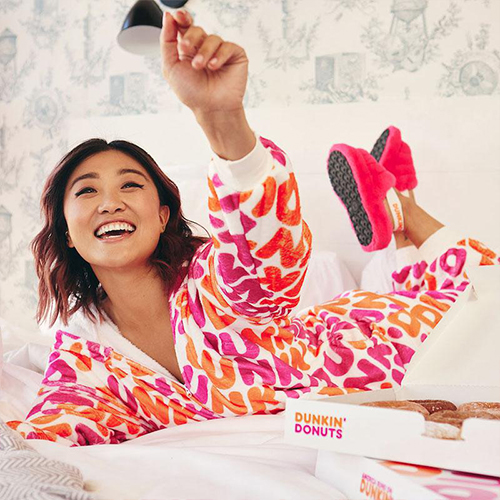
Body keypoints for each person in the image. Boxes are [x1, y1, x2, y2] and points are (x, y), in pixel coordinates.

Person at [5, 11, 498, 446]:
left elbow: (263, 257)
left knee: (487, 291)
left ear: (163, 215)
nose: (110, 202)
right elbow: (54, 426)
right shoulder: (83, 356)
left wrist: (222, 120)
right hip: (376, 397)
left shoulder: (210, 278)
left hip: (379, 344)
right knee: (443, 287)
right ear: (66, 231)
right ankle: (396, 203)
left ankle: (401, 206)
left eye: (130, 185)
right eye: (87, 191)